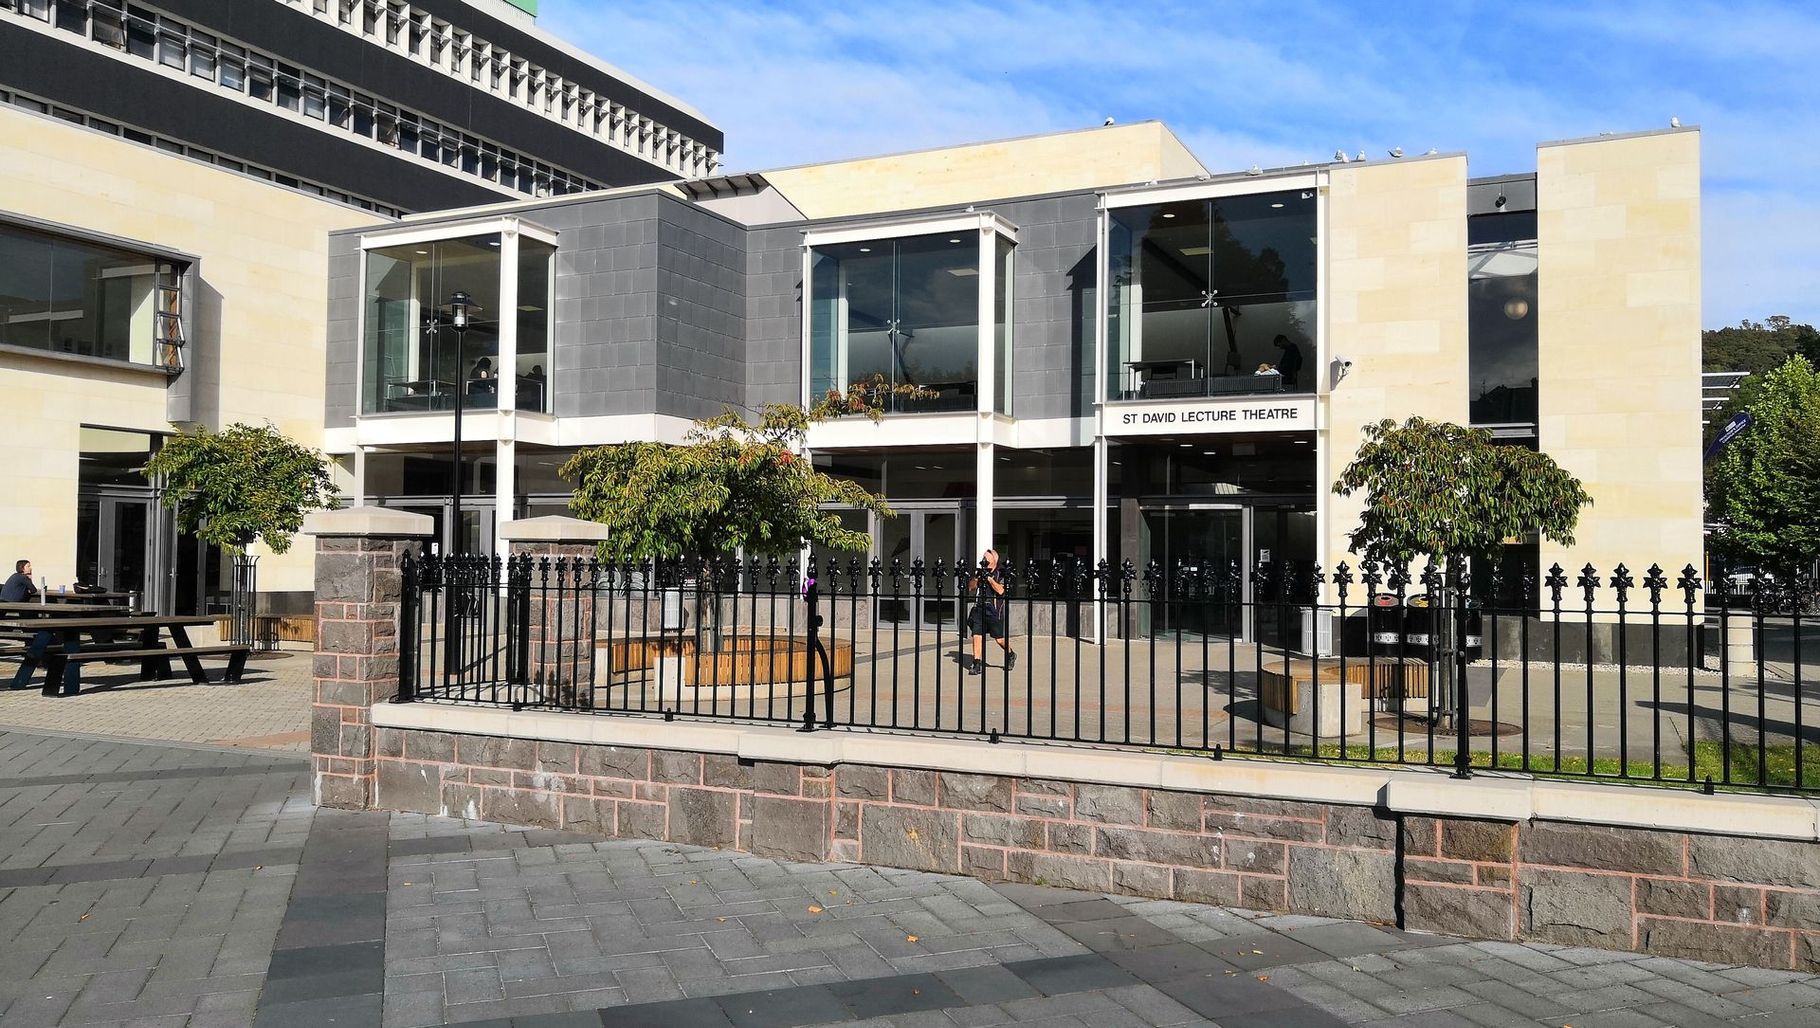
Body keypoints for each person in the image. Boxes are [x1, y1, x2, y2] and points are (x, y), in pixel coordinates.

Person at [965, 549, 1016, 675]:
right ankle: (976, 663)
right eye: (983, 559)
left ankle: (1010, 654)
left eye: (986, 559)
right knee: (976, 635)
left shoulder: (1001, 574)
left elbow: (1001, 591)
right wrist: (977, 578)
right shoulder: (979, 573)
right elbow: (970, 588)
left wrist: (990, 579)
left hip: (994, 611)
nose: (984, 561)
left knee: (999, 639)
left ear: (994, 561)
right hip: (979, 609)